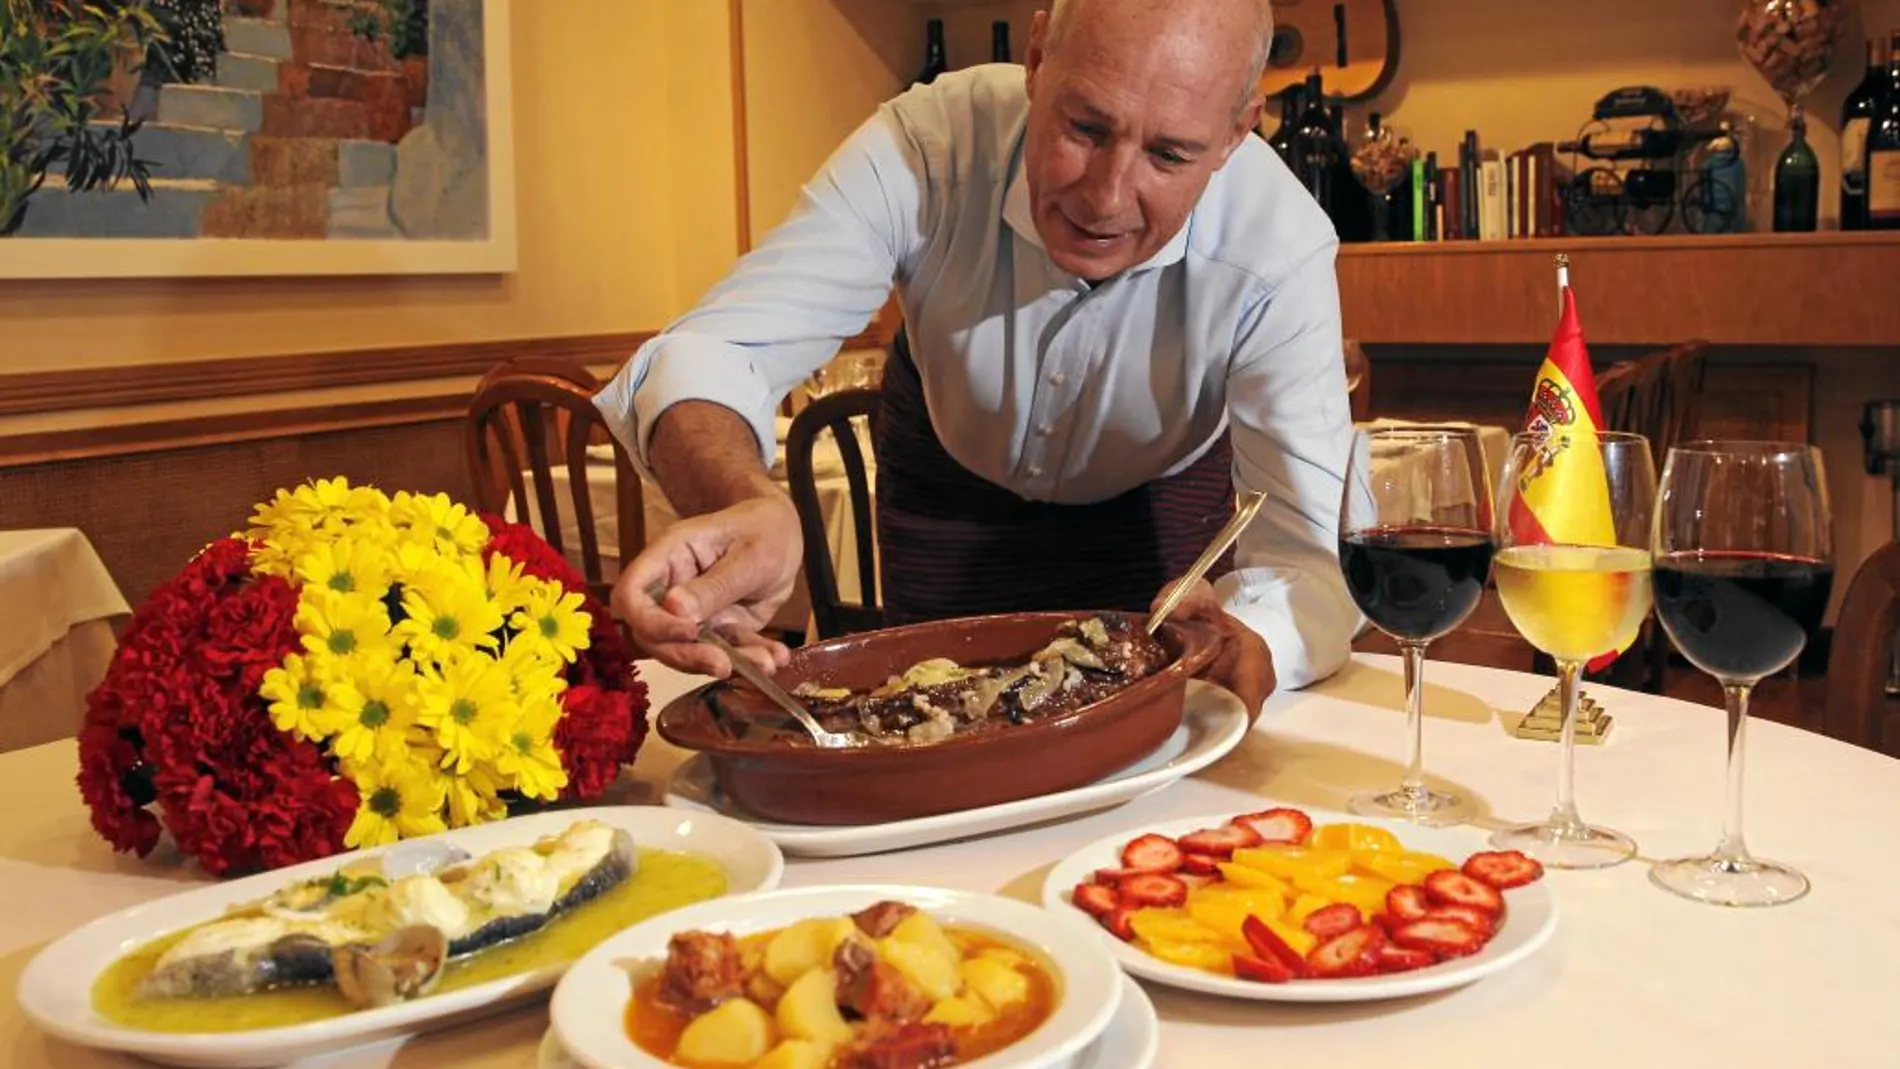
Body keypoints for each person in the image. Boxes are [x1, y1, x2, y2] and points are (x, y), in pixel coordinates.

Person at [594, 0, 1363, 720]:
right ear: (1035, 59)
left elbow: (1313, 561)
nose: (1106, 198)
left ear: (1235, 134)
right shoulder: (929, 145)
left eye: (1168, 154)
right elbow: (709, 352)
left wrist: (1253, 633)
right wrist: (741, 494)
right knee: (928, 725)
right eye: (1086, 128)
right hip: (946, 490)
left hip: (1162, 520)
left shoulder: (1280, 246)